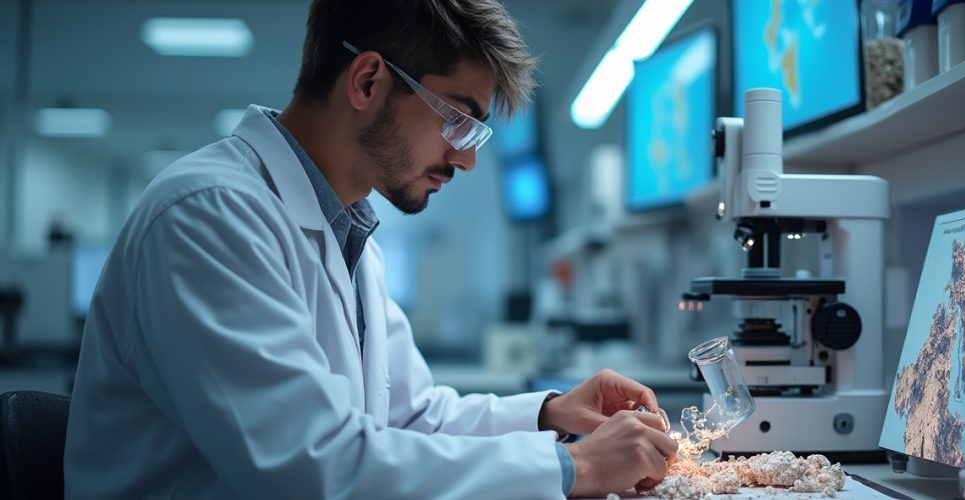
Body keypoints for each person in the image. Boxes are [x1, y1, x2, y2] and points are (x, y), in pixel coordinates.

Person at [63, 0, 678, 498]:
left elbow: (410, 420)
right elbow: (313, 466)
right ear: (368, 79)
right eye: (458, 120)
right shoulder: (209, 215)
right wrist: (578, 470)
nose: (465, 158)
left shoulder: (347, 230)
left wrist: (548, 415)